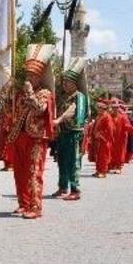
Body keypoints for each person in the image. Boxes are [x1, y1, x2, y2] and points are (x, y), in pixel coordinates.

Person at [2, 44, 55, 218]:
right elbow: (11, 112)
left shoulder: (45, 93)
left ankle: (35, 206)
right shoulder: (20, 93)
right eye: (28, 75)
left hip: (36, 138)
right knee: (19, 172)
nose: (30, 78)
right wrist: (5, 98)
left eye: (33, 75)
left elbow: (40, 109)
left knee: (34, 172)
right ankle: (23, 203)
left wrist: (30, 94)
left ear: (40, 78)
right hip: (19, 136)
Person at [53, 57, 88, 201]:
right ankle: (62, 187)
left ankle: (75, 189)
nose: (64, 84)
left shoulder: (79, 97)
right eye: (63, 82)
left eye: (67, 82)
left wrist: (59, 119)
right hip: (62, 133)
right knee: (61, 160)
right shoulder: (62, 97)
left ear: (74, 83)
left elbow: (72, 111)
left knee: (73, 161)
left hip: (74, 134)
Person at [92, 100, 114, 178]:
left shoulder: (107, 117)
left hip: (104, 140)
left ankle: (103, 172)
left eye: (99, 108)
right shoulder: (99, 116)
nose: (98, 110)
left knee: (103, 156)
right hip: (98, 139)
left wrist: (101, 134)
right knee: (98, 156)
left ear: (103, 109)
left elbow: (109, 129)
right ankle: (98, 170)